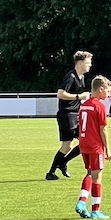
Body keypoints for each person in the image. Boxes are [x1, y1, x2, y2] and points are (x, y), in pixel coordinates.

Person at [47, 50, 92, 180]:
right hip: (67, 115)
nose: (90, 65)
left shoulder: (81, 77)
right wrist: (79, 96)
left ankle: (57, 168)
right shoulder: (71, 77)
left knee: (76, 143)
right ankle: (55, 169)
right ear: (80, 64)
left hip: (74, 114)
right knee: (74, 143)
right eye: (88, 63)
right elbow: (60, 94)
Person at [74, 75, 111, 219]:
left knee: (90, 173)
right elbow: (103, 129)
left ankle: (82, 202)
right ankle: (95, 211)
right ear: (100, 89)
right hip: (95, 145)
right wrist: (107, 148)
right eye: (107, 90)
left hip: (83, 143)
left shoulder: (84, 104)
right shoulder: (99, 106)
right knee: (97, 177)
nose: (109, 94)